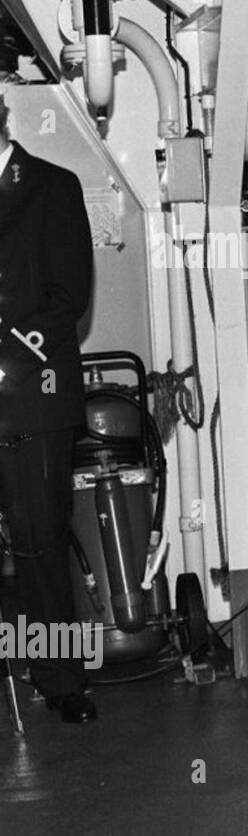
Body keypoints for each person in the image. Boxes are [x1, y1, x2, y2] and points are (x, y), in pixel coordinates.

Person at [0, 90, 96, 722]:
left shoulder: (52, 187)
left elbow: (69, 295)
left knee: (39, 548)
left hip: (28, 398)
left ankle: (60, 681)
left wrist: (7, 355)